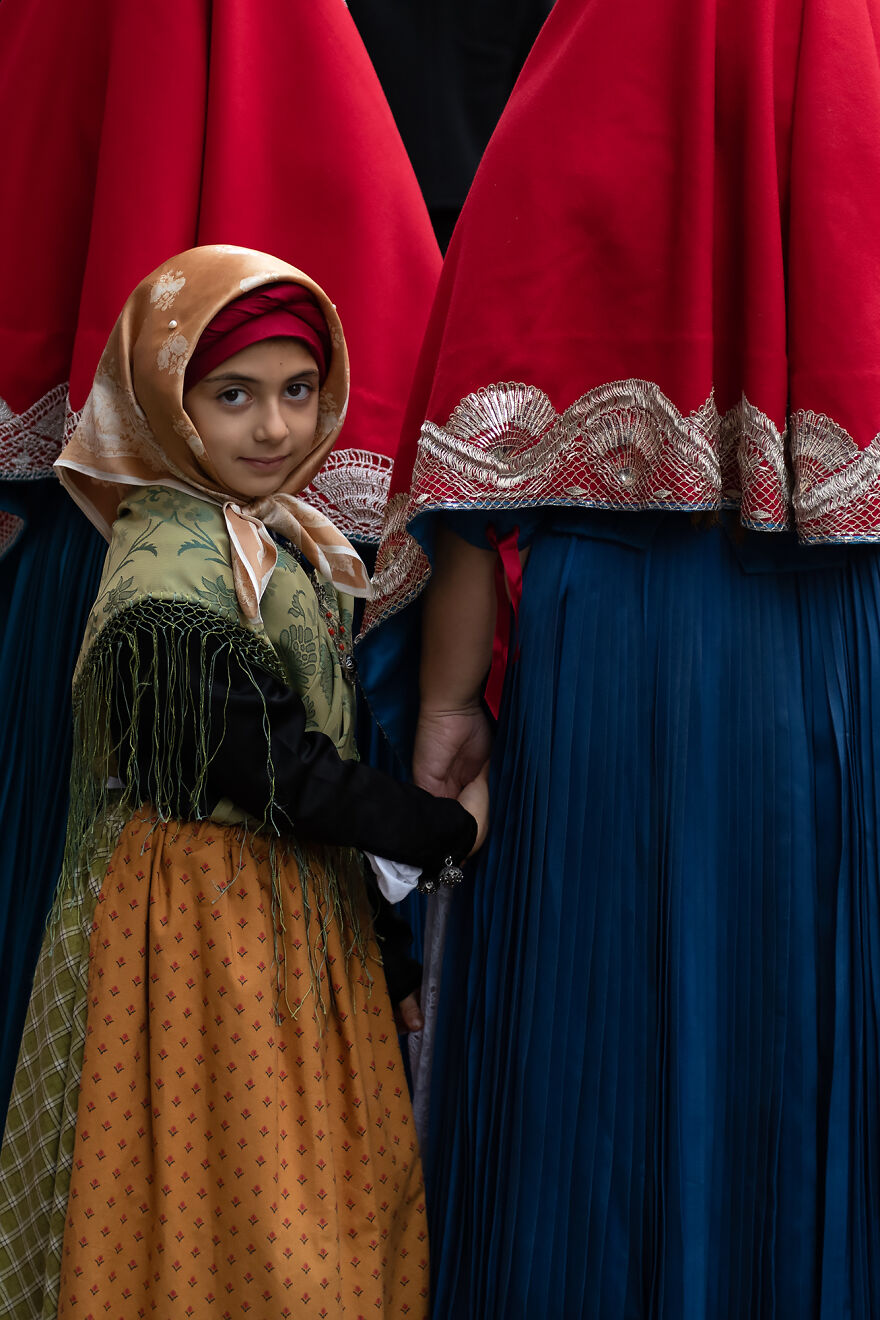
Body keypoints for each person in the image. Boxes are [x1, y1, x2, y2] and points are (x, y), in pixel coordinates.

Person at [357, 0, 880, 1314]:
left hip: (618, 643)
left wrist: (441, 709)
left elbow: (486, 444)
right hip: (830, 645)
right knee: (801, 1037)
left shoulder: (595, 56)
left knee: (605, 1050)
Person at [0, 244, 488, 1318]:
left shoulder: (270, 540)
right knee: (240, 1229)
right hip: (199, 946)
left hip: (289, 920)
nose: (275, 430)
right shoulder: (165, 577)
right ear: (166, 402)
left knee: (315, 1212)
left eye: (298, 392)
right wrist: (445, 833)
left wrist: (383, 942)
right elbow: (281, 771)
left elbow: (315, 761)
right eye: (234, 396)